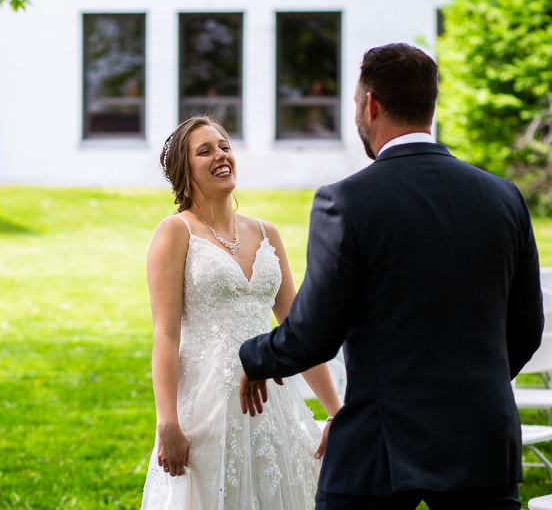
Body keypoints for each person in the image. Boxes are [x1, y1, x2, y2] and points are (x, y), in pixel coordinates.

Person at [238, 42, 544, 510]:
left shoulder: (346, 202)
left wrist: (252, 355)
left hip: (378, 447)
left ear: (370, 104)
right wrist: (472, 387)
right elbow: (526, 329)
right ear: (430, 104)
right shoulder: (504, 198)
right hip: (481, 438)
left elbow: (312, 335)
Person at [141, 115, 342, 509]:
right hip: (206, 409)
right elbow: (166, 335)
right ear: (185, 171)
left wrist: (336, 412)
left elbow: (297, 330)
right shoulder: (174, 232)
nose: (221, 155)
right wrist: (167, 421)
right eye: (205, 151)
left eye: (224, 146)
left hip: (273, 405)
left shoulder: (267, 233)